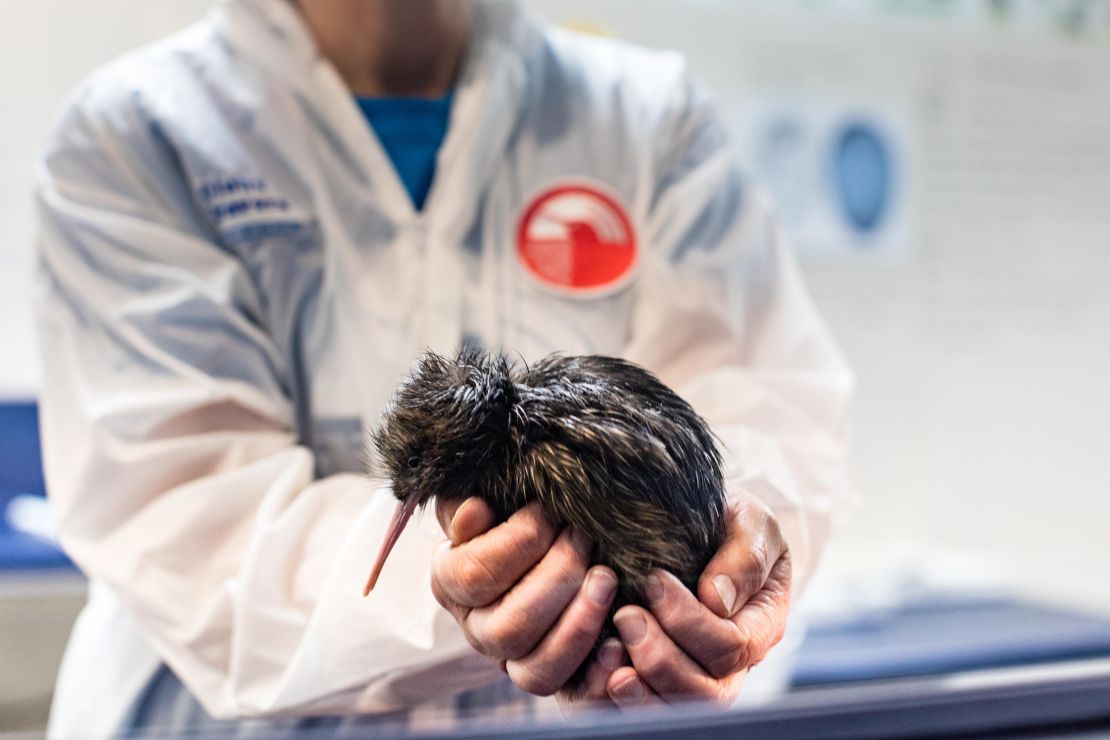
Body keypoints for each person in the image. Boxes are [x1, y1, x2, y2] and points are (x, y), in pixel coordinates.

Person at [33, 0, 854, 736]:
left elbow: (772, 421)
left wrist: (736, 557)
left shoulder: (646, 120)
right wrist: (467, 587)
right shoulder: (139, 134)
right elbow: (191, 533)